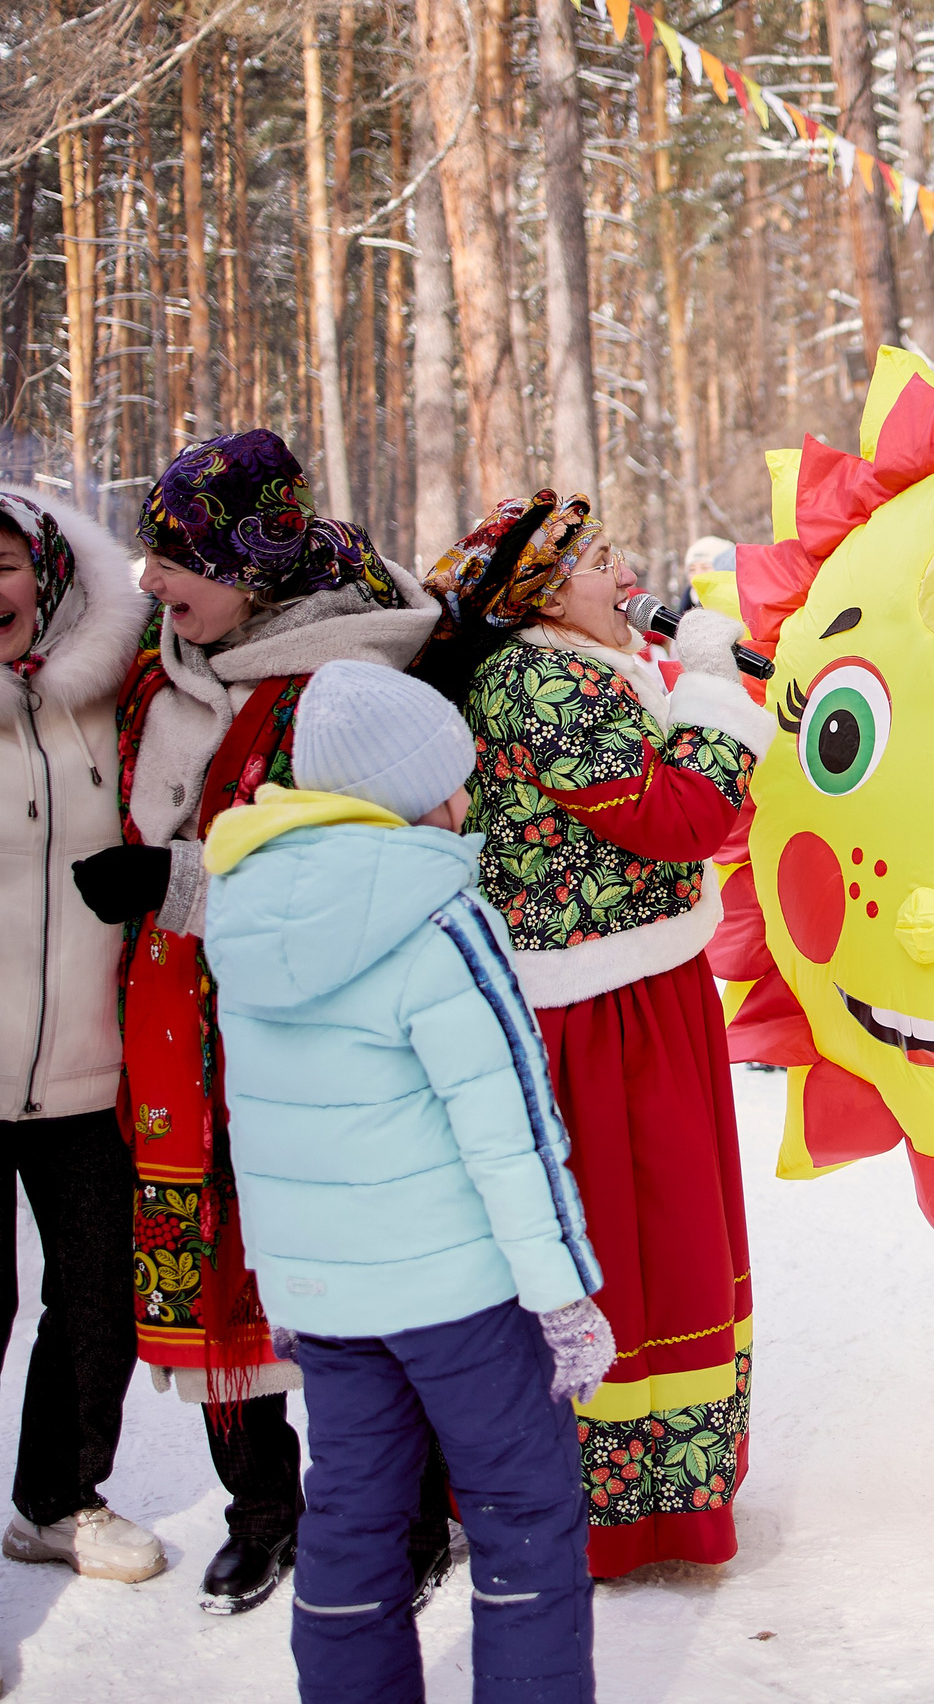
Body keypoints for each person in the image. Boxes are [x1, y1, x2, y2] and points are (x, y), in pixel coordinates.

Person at [68, 430, 450, 1613]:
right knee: (211, 1271)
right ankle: (263, 1507)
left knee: (346, 1273)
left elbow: (373, 874)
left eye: (177, 557)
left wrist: (177, 880)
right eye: (146, 554)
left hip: (313, 1037)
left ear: (252, 566)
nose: (151, 580)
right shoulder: (162, 669)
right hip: (176, 1037)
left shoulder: (348, 687)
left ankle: (402, 1511)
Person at [200, 660, 610, 1704]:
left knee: (352, 1520)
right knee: (524, 1512)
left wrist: (287, 1286)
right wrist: (562, 1294)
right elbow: (511, 1126)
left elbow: (259, 1120)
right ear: (421, 791)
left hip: (333, 1302)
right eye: (457, 778)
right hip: (462, 1298)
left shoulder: (245, 913)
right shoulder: (441, 915)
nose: (467, 798)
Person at [425, 490, 769, 1577]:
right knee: (636, 1238)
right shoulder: (549, 682)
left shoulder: (572, 670)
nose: (627, 576)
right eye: (599, 560)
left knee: (642, 1236)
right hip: (602, 1010)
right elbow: (683, 820)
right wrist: (713, 691)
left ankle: (629, 1493)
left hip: (626, 986)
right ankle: (621, 1508)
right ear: (541, 593)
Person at [0, 487, 164, 1584]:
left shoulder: (126, 690)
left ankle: (57, 1499)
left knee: (102, 1295)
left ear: (50, 573)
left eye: (3, 565)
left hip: (93, 1063)